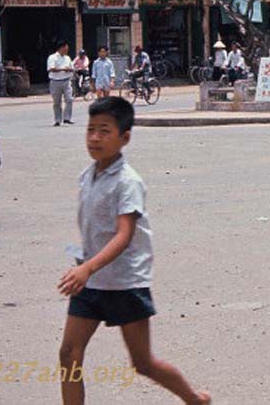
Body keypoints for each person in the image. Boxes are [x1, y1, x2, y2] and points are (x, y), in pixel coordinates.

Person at [57, 96, 210, 405]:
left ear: (124, 137)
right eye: (90, 130)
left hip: (125, 283)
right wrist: (84, 267)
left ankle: (194, 399)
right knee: (69, 354)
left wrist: (86, 267)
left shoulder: (128, 182)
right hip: (91, 282)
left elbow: (124, 235)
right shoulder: (88, 175)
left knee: (142, 364)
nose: (95, 138)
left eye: (104, 131)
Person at [48, 41, 76, 126]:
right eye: (66, 48)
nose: (67, 50)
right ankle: (57, 120)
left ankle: (67, 118)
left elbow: (72, 68)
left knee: (69, 99)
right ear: (61, 48)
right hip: (55, 81)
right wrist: (63, 69)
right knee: (57, 102)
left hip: (66, 81)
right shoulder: (52, 57)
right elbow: (51, 69)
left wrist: (70, 70)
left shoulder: (67, 58)